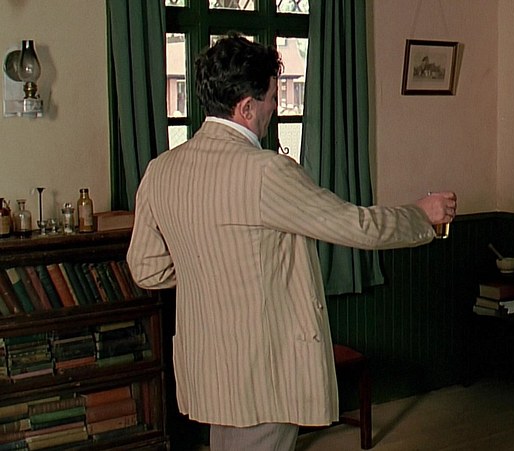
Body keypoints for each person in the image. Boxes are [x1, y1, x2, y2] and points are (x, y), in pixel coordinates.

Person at [126, 34, 456, 451]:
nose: (275, 107)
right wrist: (422, 215)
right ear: (246, 107)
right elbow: (358, 227)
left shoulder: (161, 170)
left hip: (208, 369)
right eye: (271, 97)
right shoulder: (266, 171)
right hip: (265, 370)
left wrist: (207, 267)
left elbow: (147, 268)